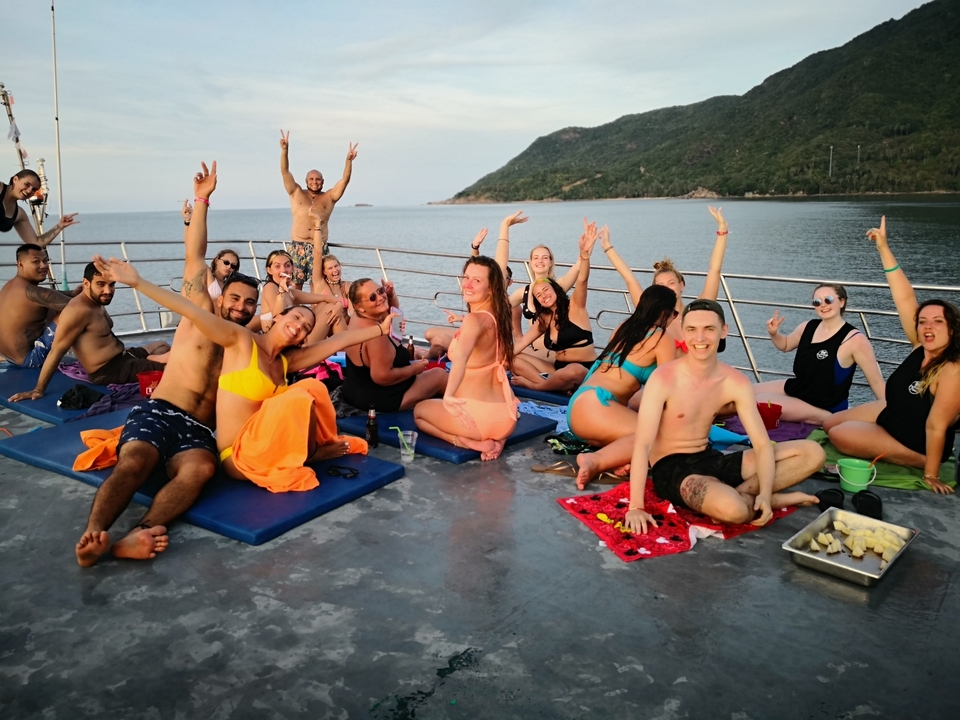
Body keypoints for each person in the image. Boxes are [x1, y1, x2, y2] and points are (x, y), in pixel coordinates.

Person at [75, 161, 260, 567]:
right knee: (135, 461)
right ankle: (94, 536)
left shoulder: (245, 344)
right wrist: (202, 200)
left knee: (200, 471)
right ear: (222, 295)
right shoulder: (199, 311)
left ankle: (140, 532)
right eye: (235, 298)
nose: (241, 307)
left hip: (200, 430)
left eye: (250, 303)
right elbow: (196, 254)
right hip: (161, 410)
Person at [94, 255, 396, 493]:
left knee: (312, 388)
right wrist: (137, 282)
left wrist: (380, 330)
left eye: (306, 327)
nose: (299, 326)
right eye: (296, 317)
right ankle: (312, 453)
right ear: (279, 317)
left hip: (264, 443)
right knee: (298, 395)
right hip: (237, 456)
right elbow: (191, 310)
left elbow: (338, 341)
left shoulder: (287, 361)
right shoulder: (242, 341)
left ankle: (310, 451)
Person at [620, 299, 824, 534]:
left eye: (709, 329)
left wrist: (766, 494)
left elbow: (761, 444)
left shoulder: (734, 382)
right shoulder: (664, 379)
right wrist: (636, 506)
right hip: (673, 469)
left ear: (724, 330)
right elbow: (643, 444)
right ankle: (748, 500)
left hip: (711, 457)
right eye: (692, 329)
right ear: (683, 332)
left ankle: (750, 496)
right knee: (733, 511)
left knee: (812, 453)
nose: (700, 338)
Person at [824, 217, 960, 494]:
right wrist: (883, 248)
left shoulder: (952, 369)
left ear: (953, 329)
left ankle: (919, 461)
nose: (928, 327)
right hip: (894, 412)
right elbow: (905, 297)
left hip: (915, 439)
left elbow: (936, 426)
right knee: (829, 423)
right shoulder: (920, 345)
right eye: (923, 321)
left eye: (938, 322)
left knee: (838, 434)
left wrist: (931, 473)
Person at [567, 285, 680, 487]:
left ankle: (617, 458)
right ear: (665, 313)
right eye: (675, 313)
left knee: (640, 436)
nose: (674, 318)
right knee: (662, 437)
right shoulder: (662, 337)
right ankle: (595, 461)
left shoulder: (624, 327)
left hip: (579, 407)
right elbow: (668, 389)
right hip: (597, 406)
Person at [8, 263, 170, 401]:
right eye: (101, 284)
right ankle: (154, 362)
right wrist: (38, 389)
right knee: (177, 366)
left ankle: (151, 360)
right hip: (109, 371)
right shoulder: (78, 311)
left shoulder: (96, 302)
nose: (108, 290)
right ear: (86, 283)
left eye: (111, 285)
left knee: (162, 345)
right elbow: (56, 351)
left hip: (123, 357)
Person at [414, 256, 519, 461]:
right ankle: (498, 441)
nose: (467, 284)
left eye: (476, 280)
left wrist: (449, 396)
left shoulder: (474, 320)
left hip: (476, 420)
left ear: (491, 288)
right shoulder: (500, 315)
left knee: (419, 412)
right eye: (466, 277)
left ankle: (467, 442)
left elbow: (461, 358)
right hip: (507, 419)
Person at [755, 285, 885, 424]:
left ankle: (830, 418)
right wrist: (774, 333)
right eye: (817, 302)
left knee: (759, 401)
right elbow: (785, 345)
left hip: (825, 405)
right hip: (800, 389)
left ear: (841, 302)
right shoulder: (807, 327)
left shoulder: (855, 340)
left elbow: (877, 382)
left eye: (828, 300)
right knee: (745, 391)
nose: (823, 305)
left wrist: (892, 414)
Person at [510, 223, 600, 394]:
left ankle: (537, 385)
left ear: (556, 289)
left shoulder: (576, 306)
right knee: (512, 358)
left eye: (546, 290)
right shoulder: (544, 318)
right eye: (538, 295)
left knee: (574, 370)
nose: (543, 295)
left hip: (584, 368)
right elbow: (521, 343)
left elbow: (582, 280)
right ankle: (555, 385)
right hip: (557, 368)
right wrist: (496, 360)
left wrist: (584, 255)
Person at [341, 278, 448, 412]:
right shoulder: (376, 335)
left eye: (380, 291)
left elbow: (393, 315)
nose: (380, 297)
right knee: (440, 376)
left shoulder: (359, 318)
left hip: (354, 391)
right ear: (359, 306)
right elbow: (382, 377)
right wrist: (414, 369)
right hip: (379, 399)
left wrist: (390, 296)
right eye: (372, 297)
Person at [493, 211, 582, 369]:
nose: (540, 261)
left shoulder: (557, 287)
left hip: (553, 353)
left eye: (545, 257)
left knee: (507, 358)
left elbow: (578, 268)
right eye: (536, 257)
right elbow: (497, 306)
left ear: (551, 262)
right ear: (530, 262)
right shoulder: (524, 292)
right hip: (533, 351)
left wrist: (585, 251)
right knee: (501, 355)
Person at [279, 130, 357, 288]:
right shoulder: (296, 192)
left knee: (319, 287)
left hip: (319, 247)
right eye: (311, 179)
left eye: (318, 179)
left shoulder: (329, 197)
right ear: (306, 181)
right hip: (298, 246)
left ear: (323, 181)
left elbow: (345, 180)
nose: (315, 182)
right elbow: (285, 172)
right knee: (295, 287)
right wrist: (285, 150)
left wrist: (348, 161)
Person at [0, 244, 77, 367]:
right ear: (20, 264)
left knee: (53, 306)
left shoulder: (11, 286)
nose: (43, 266)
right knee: (78, 312)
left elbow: (48, 296)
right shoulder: (32, 292)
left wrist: (73, 293)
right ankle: (96, 355)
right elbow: (79, 307)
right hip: (31, 360)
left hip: (10, 358)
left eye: (45, 261)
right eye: (36, 262)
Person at [258, 249, 338, 332]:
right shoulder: (270, 287)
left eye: (287, 265)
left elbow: (324, 298)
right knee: (329, 310)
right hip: (279, 336)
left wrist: (338, 305)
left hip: (293, 333)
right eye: (277, 266)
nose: (283, 270)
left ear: (292, 268)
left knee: (325, 305)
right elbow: (278, 319)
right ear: (269, 270)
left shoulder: (290, 293)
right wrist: (281, 291)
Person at [1, 168, 78, 246]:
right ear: (15, 179)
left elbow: (36, 243)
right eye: (27, 184)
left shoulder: (19, 214)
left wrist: (59, 226)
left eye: (34, 189)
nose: (29, 191)